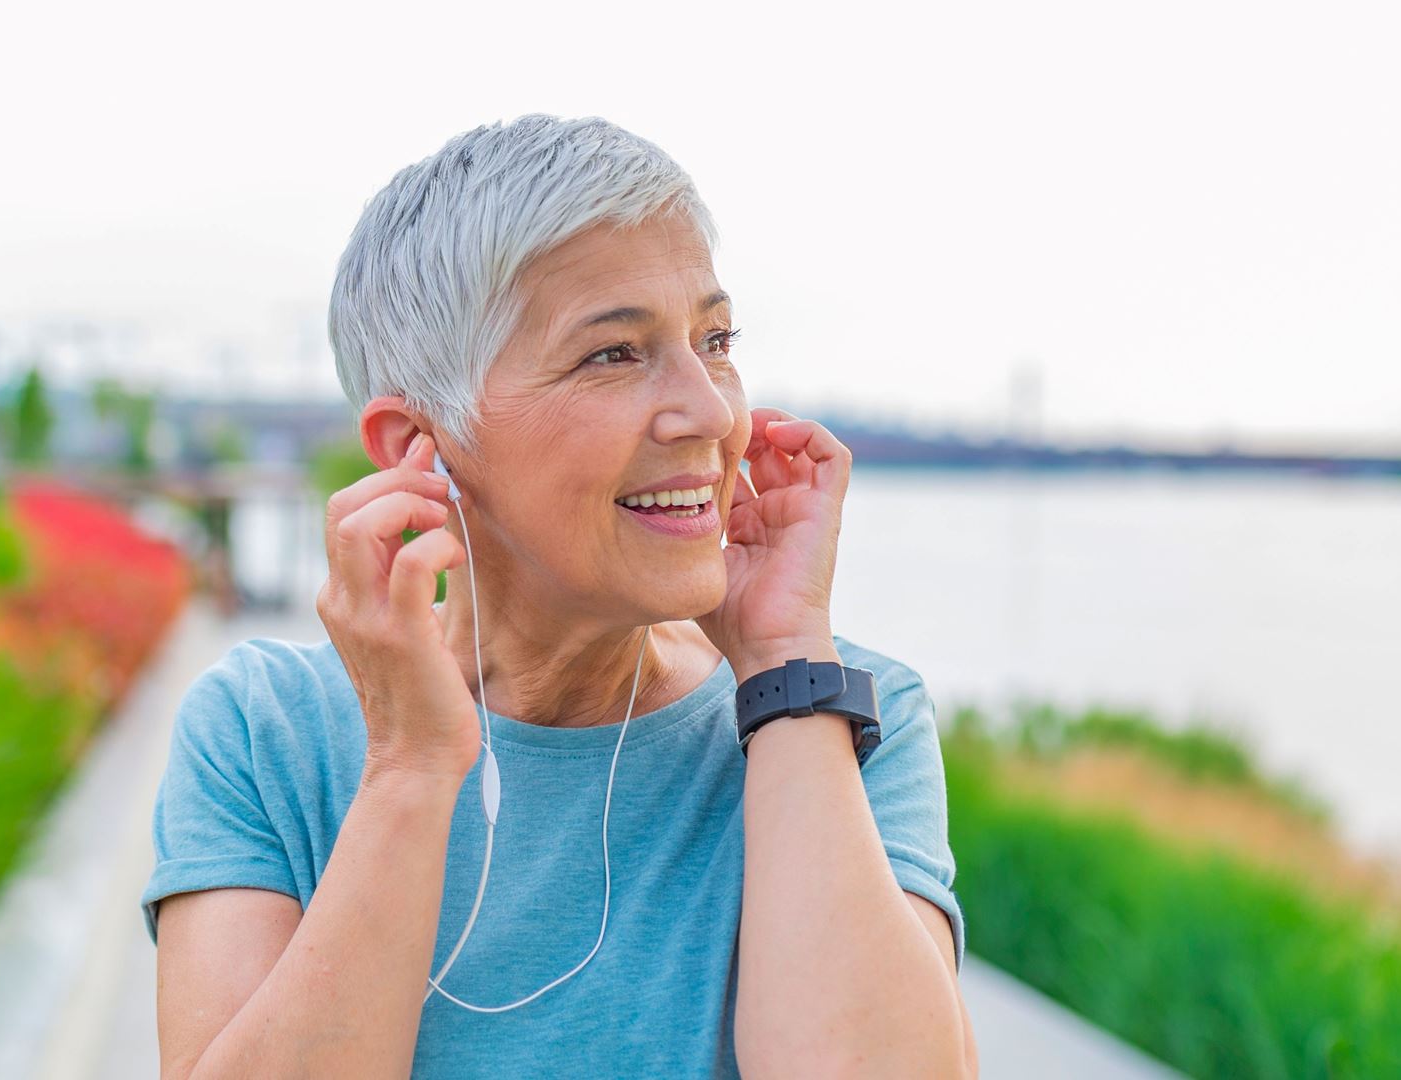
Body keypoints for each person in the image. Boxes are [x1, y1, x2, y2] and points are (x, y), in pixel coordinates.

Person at [141, 114, 976, 1078]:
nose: (712, 410)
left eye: (715, 338)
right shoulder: (264, 733)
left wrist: (786, 664)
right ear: (423, 449)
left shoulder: (847, 716)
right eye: (614, 353)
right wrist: (411, 769)